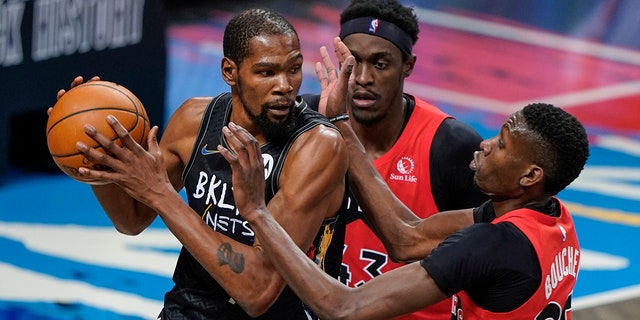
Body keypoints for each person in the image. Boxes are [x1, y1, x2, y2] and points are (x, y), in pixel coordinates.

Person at [219, 45, 590, 319]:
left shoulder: (490, 244)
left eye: (503, 144)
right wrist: (341, 124)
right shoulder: (552, 219)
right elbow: (406, 237)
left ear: (530, 175)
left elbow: (342, 308)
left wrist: (256, 212)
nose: (487, 144)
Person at [56, 8, 349, 320]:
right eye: (266, 72)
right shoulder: (193, 121)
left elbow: (260, 292)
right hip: (187, 309)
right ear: (229, 71)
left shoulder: (317, 146)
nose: (285, 86)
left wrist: (162, 195)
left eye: (294, 69)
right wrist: (98, 155)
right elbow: (132, 218)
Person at [310, 1, 488, 318]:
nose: (362, 78)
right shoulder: (308, 122)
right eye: (352, 63)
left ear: (408, 65)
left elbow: (487, 259)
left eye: (380, 64)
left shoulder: (451, 147)